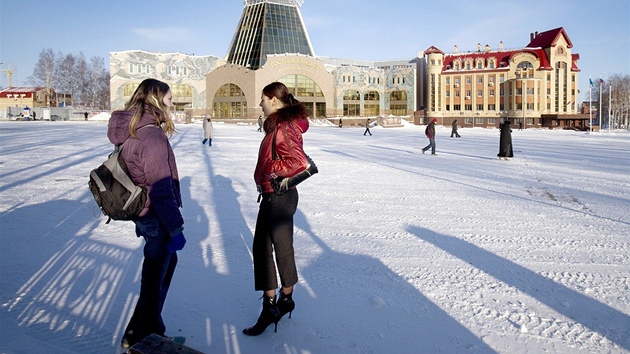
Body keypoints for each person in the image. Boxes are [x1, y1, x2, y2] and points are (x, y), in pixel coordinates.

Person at [107, 78, 186, 349]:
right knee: (154, 279)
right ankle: (145, 338)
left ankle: (139, 332)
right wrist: (176, 229)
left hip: (143, 213)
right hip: (155, 215)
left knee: (160, 271)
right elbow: (161, 188)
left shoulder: (132, 129)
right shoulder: (151, 135)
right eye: (169, 98)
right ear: (155, 99)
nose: (172, 103)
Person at [244, 82, 311, 336]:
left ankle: (270, 307)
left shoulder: (282, 126)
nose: (260, 103)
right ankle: (285, 299)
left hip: (277, 195)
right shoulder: (282, 124)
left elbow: (297, 161)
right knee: (281, 248)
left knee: (262, 248)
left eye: (262, 98)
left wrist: (268, 170)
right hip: (281, 195)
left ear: (273, 99)